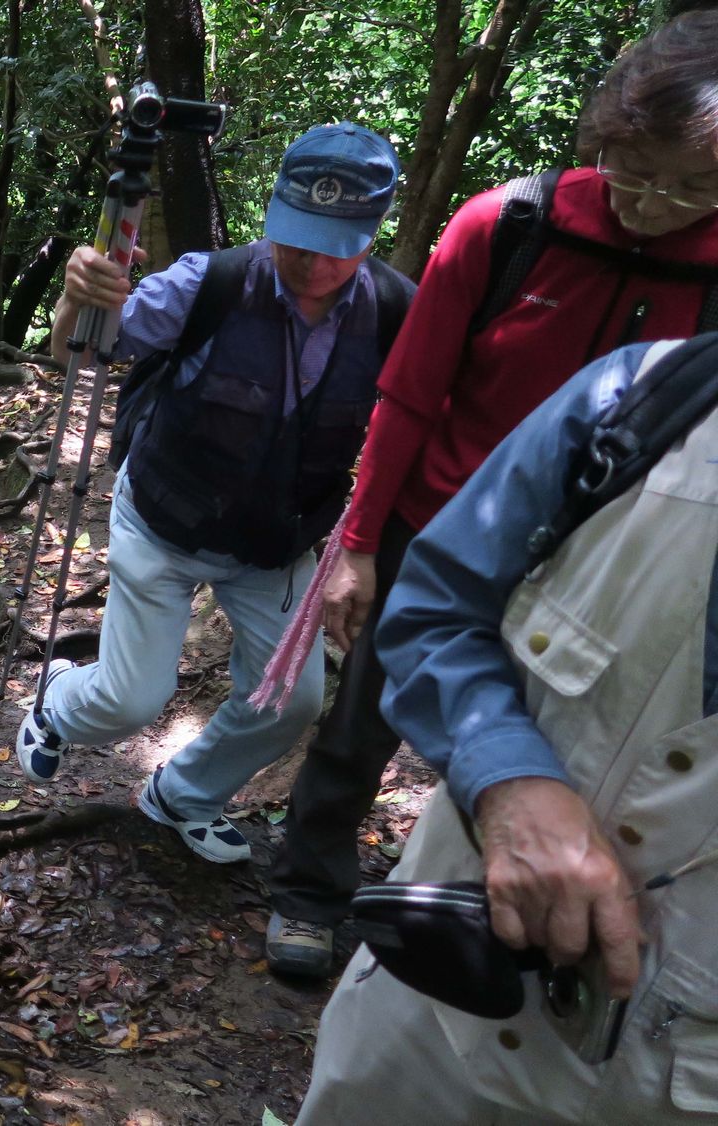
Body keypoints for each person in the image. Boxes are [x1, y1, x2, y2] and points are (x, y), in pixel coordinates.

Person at [263, 10, 718, 980]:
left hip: (606, 570)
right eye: (635, 170)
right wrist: (356, 543)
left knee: (561, 756)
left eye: (693, 186)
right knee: (360, 722)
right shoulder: (508, 225)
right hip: (435, 526)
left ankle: (498, 921)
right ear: (604, 137)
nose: (654, 204)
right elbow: (407, 393)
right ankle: (308, 889)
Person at [294, 333, 718, 1124]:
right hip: (434, 1000)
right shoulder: (647, 394)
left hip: (673, 1087)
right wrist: (510, 781)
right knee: (341, 739)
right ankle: (305, 889)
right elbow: (437, 600)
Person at [8, 124, 413, 863]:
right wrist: (78, 297)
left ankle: (183, 794)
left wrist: (363, 546)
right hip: (162, 520)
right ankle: (58, 702)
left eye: (337, 246)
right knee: (130, 701)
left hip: (275, 544)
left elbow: (419, 424)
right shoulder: (211, 283)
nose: (314, 264)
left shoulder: (395, 312)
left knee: (290, 701)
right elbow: (83, 349)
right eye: (298, 240)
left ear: (371, 235)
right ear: (275, 215)